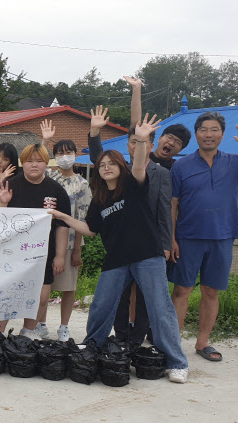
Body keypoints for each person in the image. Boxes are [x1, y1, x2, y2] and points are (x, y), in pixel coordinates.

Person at [49, 113, 189, 383]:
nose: (106, 167)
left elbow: (138, 165)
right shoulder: (100, 199)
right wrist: (64, 218)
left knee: (160, 308)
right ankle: (92, 348)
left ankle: (177, 362)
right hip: (116, 259)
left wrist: (141, 138)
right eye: (102, 165)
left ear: (120, 167)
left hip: (147, 255)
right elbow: (90, 229)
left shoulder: (133, 185)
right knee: (101, 305)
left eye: (112, 163)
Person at [169, 112, 238, 362]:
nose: (209, 134)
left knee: (211, 291)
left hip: (222, 236)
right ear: (196, 134)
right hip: (187, 237)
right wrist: (171, 238)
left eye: (214, 129)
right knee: (181, 290)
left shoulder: (237, 161)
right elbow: (172, 205)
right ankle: (173, 344)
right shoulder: (181, 165)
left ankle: (202, 342)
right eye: (204, 129)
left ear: (222, 134)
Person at [88, 104, 173, 346]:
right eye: (132, 141)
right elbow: (99, 160)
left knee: (152, 300)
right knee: (118, 297)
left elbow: (165, 212)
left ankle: (141, 340)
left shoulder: (157, 173)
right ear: (127, 145)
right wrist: (94, 133)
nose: (136, 145)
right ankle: (121, 337)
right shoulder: (120, 171)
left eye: (142, 141)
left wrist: (165, 243)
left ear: (150, 145)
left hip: (150, 246)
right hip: (121, 249)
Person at [0, 143, 70, 335]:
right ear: (22, 163)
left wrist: (60, 256)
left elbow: (63, 226)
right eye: (29, 161)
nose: (34, 165)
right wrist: (3, 202)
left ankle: (27, 333)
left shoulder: (56, 190)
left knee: (42, 297)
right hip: (11, 253)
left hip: (43, 253)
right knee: (5, 295)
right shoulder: (10, 184)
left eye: (39, 161)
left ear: (46, 163)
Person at [40, 121, 92, 342]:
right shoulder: (49, 177)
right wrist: (44, 140)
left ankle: (63, 327)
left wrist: (78, 247)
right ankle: (40, 323)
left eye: (68, 152)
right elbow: (36, 162)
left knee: (68, 288)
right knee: (44, 285)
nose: (64, 156)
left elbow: (82, 217)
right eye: (59, 152)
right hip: (45, 240)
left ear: (75, 154)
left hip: (70, 242)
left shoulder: (82, 184)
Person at [123, 76, 192, 170]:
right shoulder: (142, 157)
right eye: (170, 137)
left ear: (180, 150)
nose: (171, 143)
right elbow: (135, 125)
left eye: (177, 142)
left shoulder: (177, 169)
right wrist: (136, 88)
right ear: (160, 138)